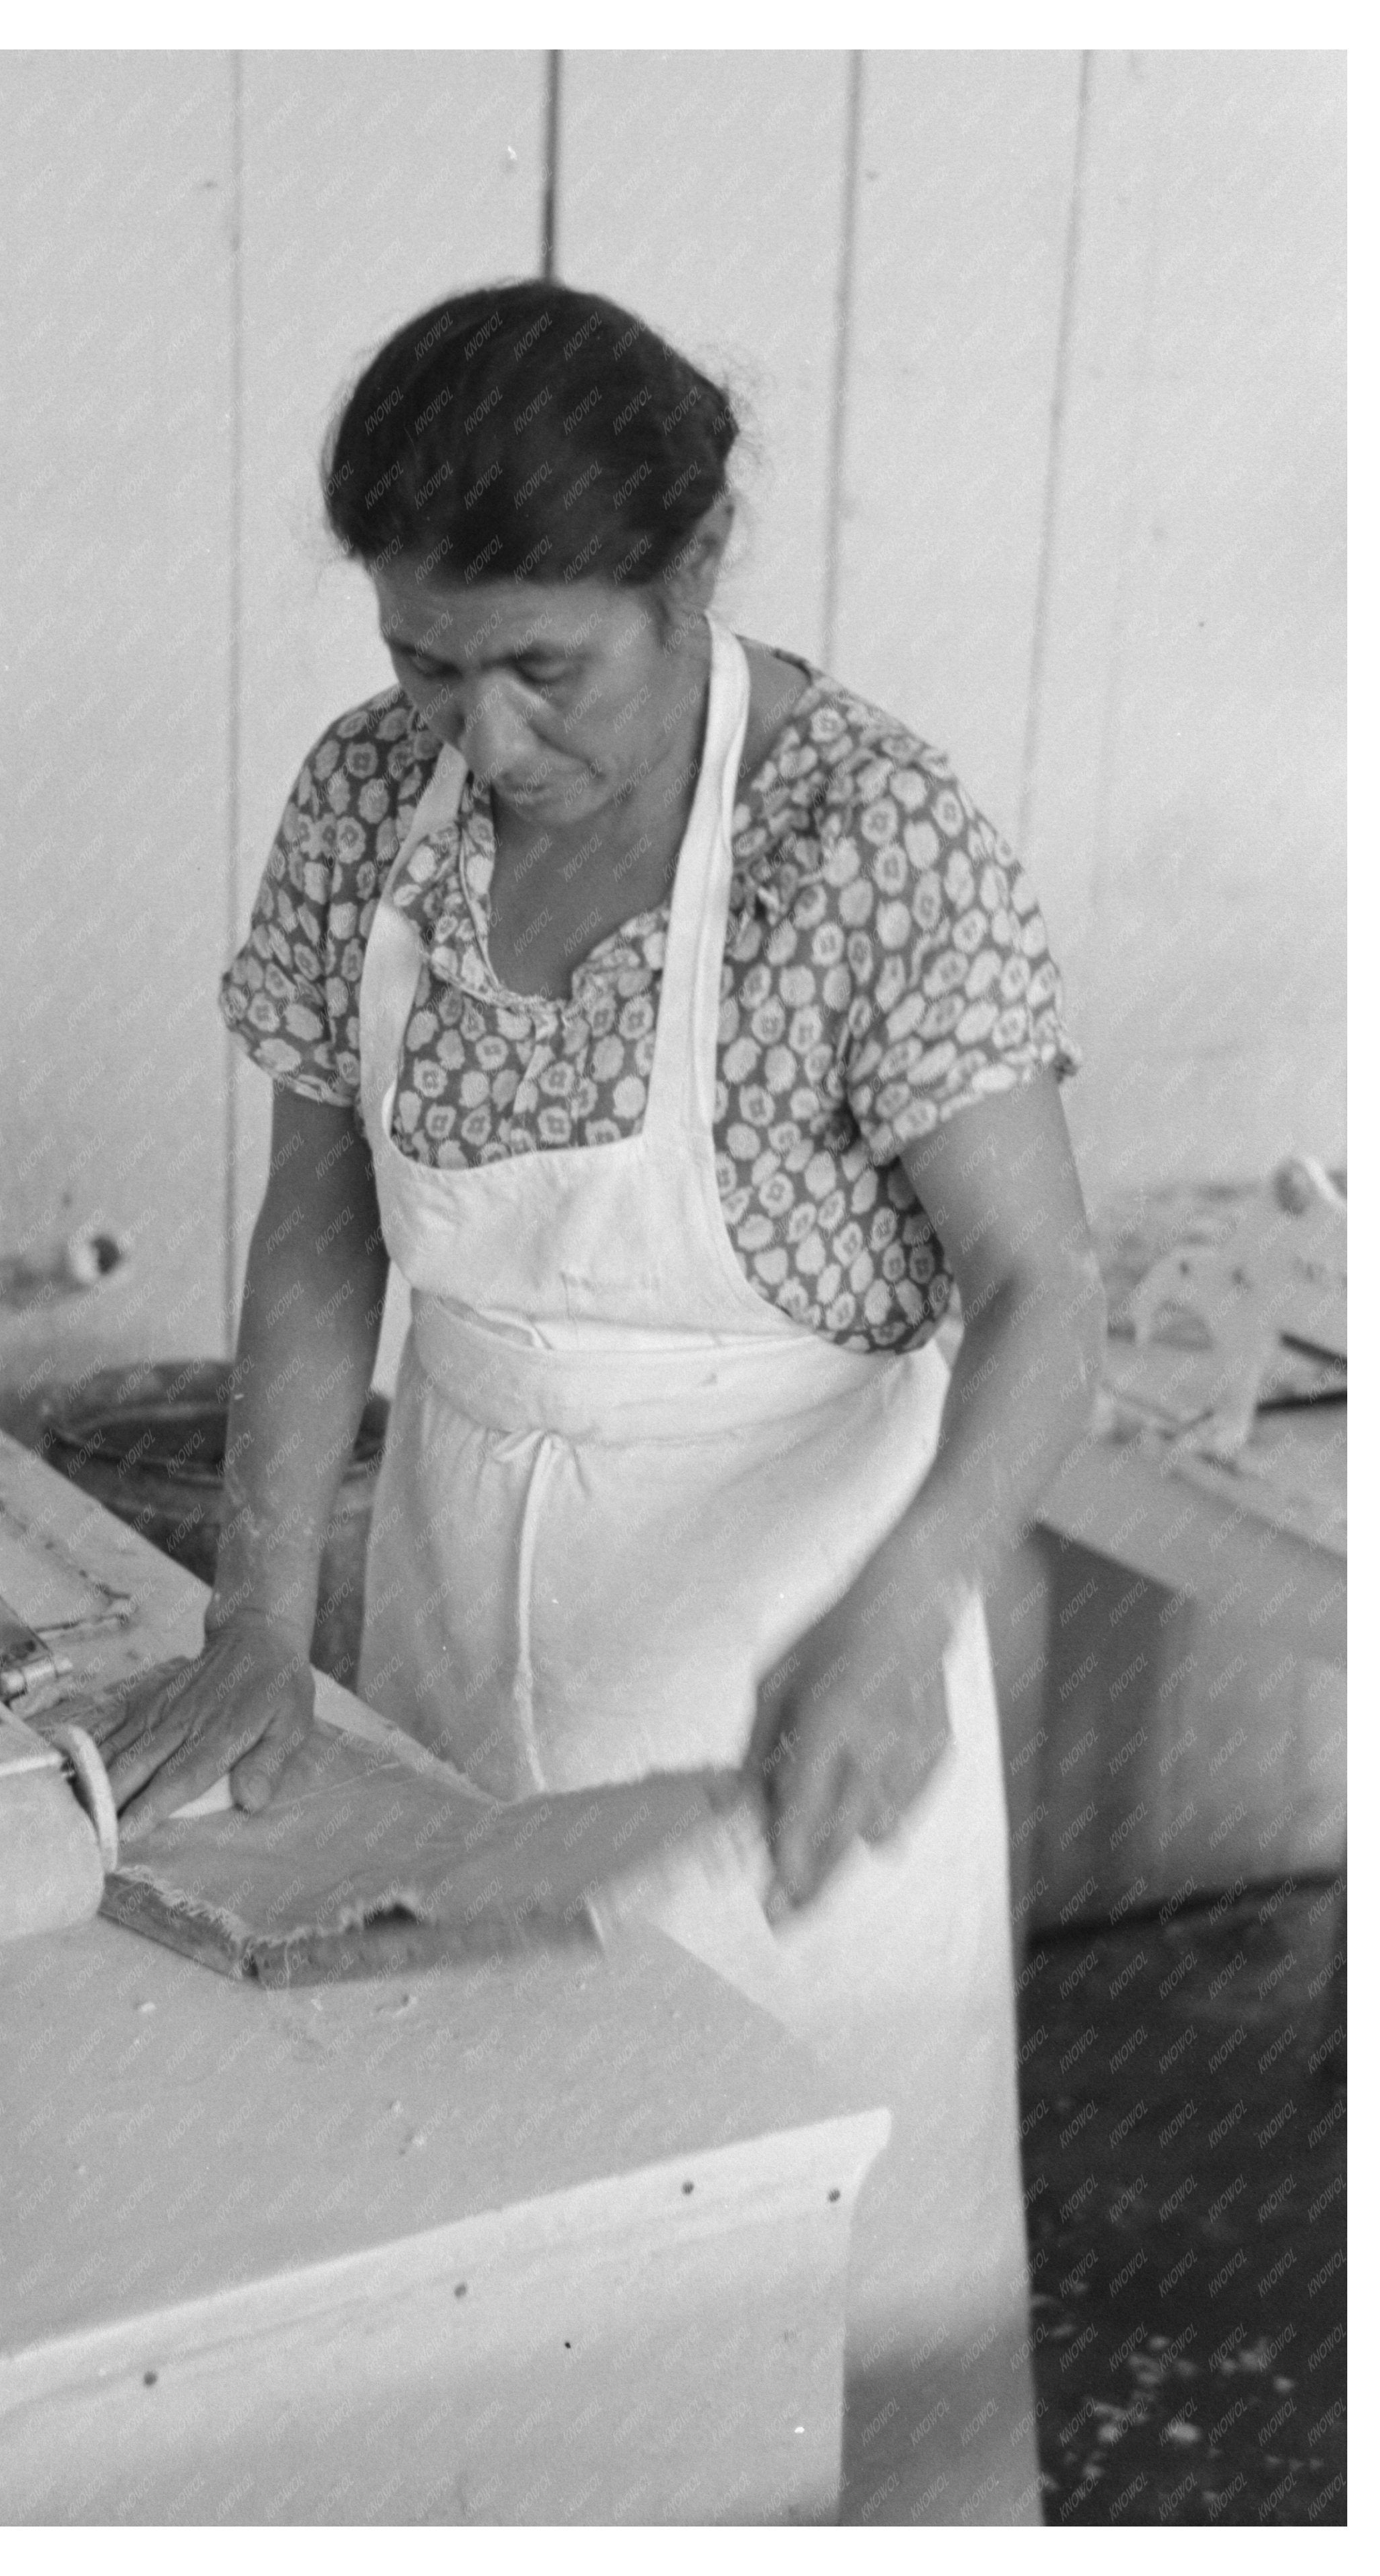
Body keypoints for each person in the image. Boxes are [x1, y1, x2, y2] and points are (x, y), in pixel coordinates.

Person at [86, 280, 1106, 2522]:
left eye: (549, 665)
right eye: (425, 663)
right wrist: (261, 1608)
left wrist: (908, 1603)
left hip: (787, 1659)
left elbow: (1046, 1293)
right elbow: (323, 1222)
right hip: (454, 1605)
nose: (486, 737)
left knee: (814, 2301)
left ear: (695, 567)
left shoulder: (867, 838)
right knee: (484, 2261)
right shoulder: (375, 804)